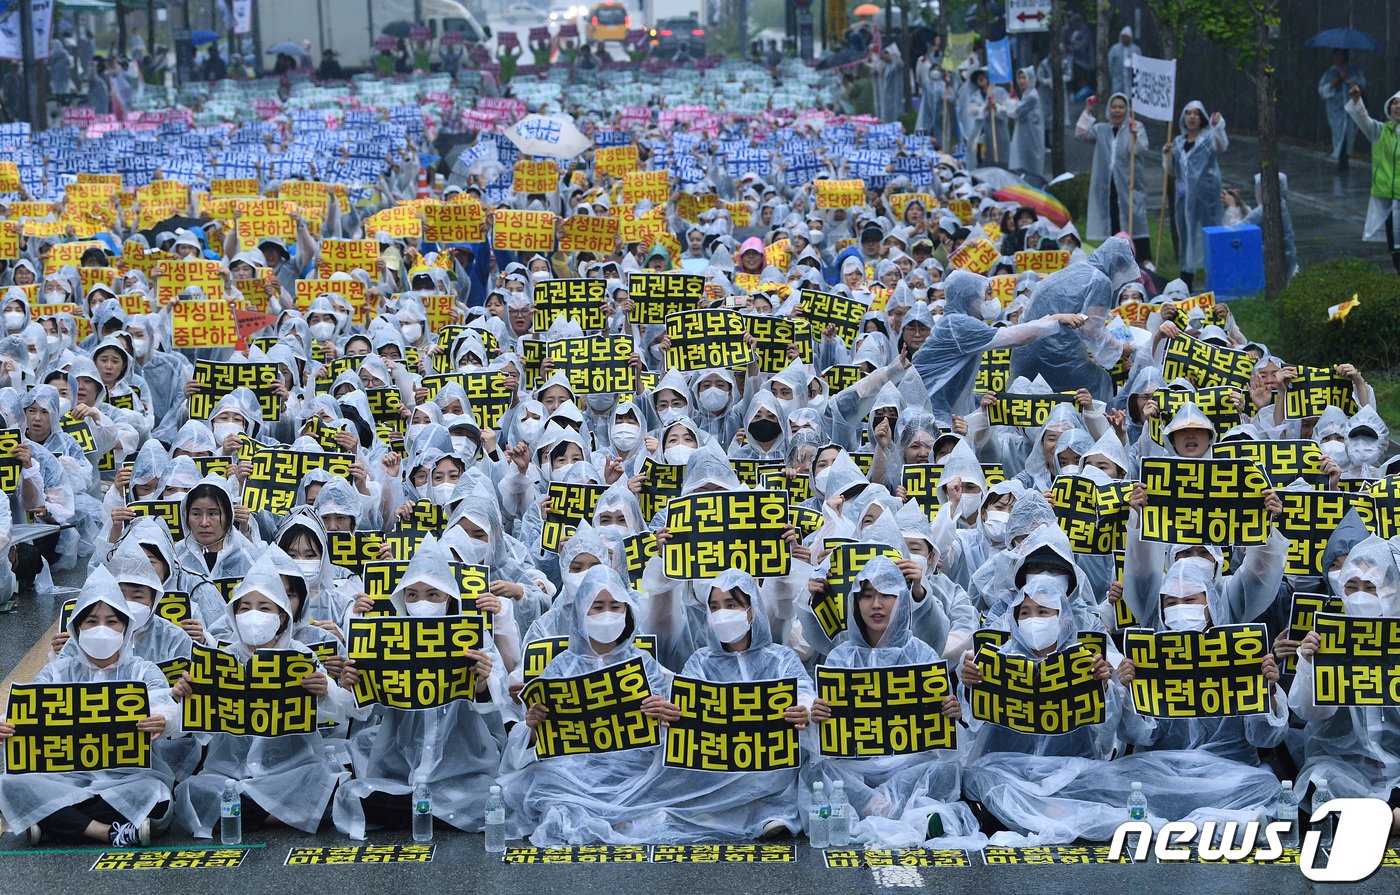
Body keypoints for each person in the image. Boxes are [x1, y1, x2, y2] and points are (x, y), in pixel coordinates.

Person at [0, 569, 178, 846]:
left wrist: (163, 719)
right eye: (92, 622)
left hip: (128, 779)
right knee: (10, 784)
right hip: (64, 778)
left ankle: (54, 821)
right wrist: (5, 725)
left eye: (111, 622)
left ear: (125, 628)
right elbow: (24, 709)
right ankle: (108, 830)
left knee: (157, 795)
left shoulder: (143, 671)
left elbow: (164, 704)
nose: (101, 630)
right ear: (77, 629)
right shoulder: (56, 673)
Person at [1076, 94, 1152, 262]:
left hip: (1129, 184)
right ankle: (1117, 260)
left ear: (1127, 110)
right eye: (1114, 107)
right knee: (1113, 219)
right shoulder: (1102, 129)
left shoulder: (1135, 126)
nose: (1117, 110)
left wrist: (1135, 134)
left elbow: (1140, 149)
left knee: (1135, 220)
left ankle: (1143, 261)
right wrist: (1088, 110)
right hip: (1107, 184)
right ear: (1109, 109)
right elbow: (1081, 133)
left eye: (1121, 107)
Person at [1164, 101, 1228, 289]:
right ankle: (1186, 279)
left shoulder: (1208, 140)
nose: (1192, 117)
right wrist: (1166, 155)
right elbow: (1172, 171)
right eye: (1188, 113)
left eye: (1196, 114)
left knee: (1210, 234)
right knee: (1187, 236)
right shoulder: (1178, 142)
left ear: (1202, 118)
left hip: (1207, 198)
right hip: (1184, 200)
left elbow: (1221, 146)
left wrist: (1218, 127)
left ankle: (1216, 277)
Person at [1345, 85, 1400, 274]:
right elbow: (1363, 120)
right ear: (1389, 108)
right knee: (1394, 243)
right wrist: (1356, 101)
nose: (1398, 107)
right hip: (1388, 199)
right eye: (1395, 103)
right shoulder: (1380, 131)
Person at [1319, 49, 1365, 169]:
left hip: (1351, 110)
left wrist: (1347, 79)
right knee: (1338, 133)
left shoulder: (1353, 71)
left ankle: (1344, 158)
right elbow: (1323, 91)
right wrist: (1335, 82)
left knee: (1348, 135)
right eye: (1336, 56)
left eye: (1340, 56)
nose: (1338, 58)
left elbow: (1360, 86)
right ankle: (1341, 158)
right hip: (1336, 111)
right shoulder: (1330, 72)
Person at [1107, 27, 1140, 98]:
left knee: (1131, 95)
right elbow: (1110, 63)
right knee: (1117, 95)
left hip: (1130, 78)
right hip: (1118, 78)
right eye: (1123, 37)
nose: (1125, 39)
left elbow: (1139, 64)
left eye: (1126, 37)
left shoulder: (1136, 50)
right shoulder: (1114, 49)